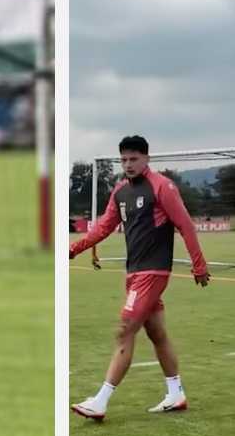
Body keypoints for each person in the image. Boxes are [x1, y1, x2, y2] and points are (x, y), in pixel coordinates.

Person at [68, 135, 209, 421]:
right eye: (123, 160)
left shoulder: (162, 187)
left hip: (153, 271)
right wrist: (72, 248)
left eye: (134, 159)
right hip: (133, 272)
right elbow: (103, 228)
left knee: (125, 329)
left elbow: (186, 226)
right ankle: (176, 393)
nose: (128, 165)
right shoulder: (120, 191)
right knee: (156, 333)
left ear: (146, 158)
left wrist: (199, 265)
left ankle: (101, 401)